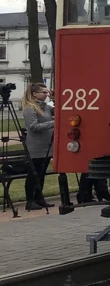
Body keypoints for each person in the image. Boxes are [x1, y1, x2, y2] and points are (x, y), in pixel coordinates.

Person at [21, 83, 55, 211]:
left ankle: (39, 198)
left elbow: (59, 110)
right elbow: (33, 127)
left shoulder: (45, 106)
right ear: (35, 94)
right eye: (44, 92)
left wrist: (55, 98)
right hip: (36, 146)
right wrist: (53, 123)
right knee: (34, 174)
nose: (46, 95)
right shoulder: (30, 108)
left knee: (41, 173)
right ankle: (30, 200)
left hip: (46, 145)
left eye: (47, 92)